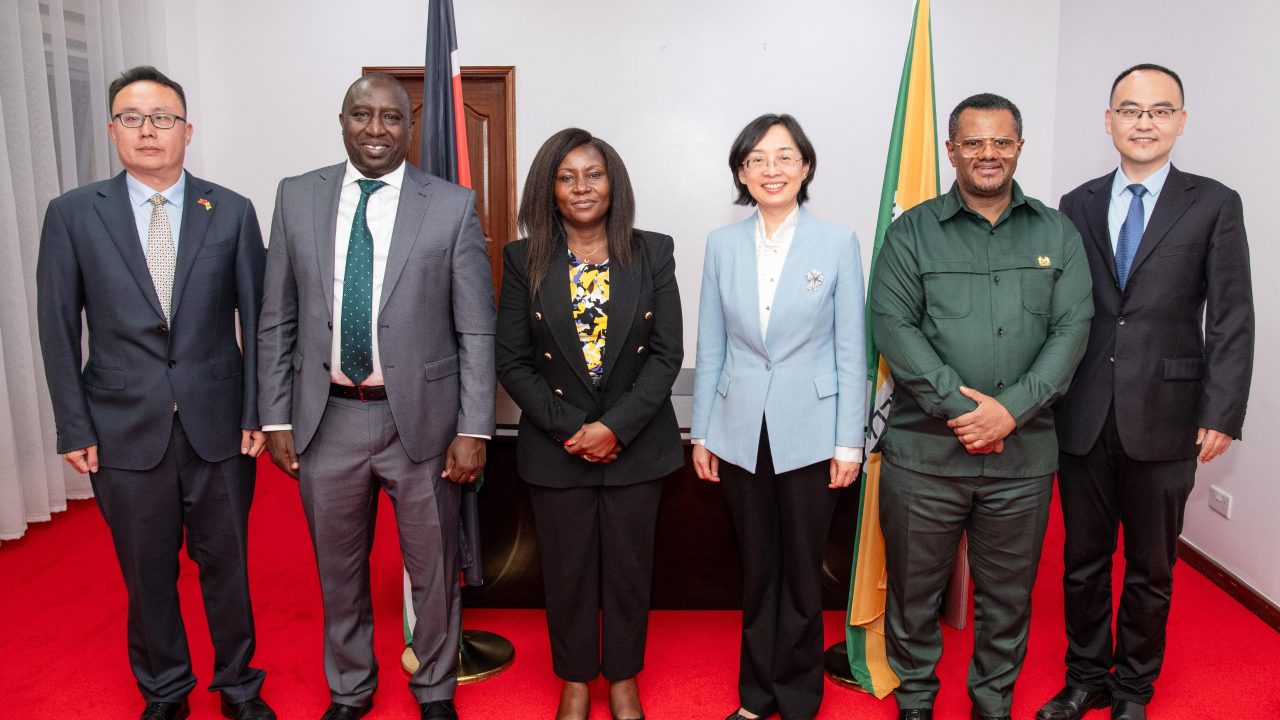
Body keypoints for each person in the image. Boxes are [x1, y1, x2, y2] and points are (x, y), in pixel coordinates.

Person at [36, 66, 274, 720]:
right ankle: (166, 690)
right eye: (132, 117)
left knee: (227, 568)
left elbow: (257, 322)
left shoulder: (230, 210)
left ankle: (239, 688)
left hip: (220, 426)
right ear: (113, 129)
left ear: (187, 130)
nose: (148, 130)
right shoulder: (73, 215)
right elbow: (57, 329)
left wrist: (257, 411)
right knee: (146, 574)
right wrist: (72, 426)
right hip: (120, 428)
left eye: (162, 117)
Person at [257, 73, 494, 720]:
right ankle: (350, 689)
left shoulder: (451, 205)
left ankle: (436, 690)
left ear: (409, 127)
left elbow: (476, 326)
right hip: (326, 417)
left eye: (391, 118)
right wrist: (274, 414)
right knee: (339, 571)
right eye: (362, 115)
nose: (375, 129)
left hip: (420, 423)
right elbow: (276, 317)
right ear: (341, 120)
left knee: (433, 570)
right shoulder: (296, 196)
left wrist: (474, 428)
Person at [1037, 65, 1254, 720]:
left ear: (1180, 122)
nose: (1144, 122)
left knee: (1151, 569)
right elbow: (1059, 310)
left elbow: (1233, 316)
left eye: (1160, 111)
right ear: (1109, 121)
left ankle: (1133, 687)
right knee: (1081, 561)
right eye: (1130, 110)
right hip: (1084, 412)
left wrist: (1222, 410)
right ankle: (1084, 678)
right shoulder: (1073, 204)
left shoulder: (1214, 203)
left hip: (1170, 414)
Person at [869, 93, 1093, 720]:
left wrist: (1010, 412)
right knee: (914, 593)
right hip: (925, 456)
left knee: (1007, 598)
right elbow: (893, 327)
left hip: (1021, 459)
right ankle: (915, 700)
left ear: (1019, 147)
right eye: (973, 142)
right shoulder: (911, 231)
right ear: (951, 150)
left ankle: (991, 703)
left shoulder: (1057, 231)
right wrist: (965, 414)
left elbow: (1073, 330)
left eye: (1001, 142)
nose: (987, 154)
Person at [496, 128, 683, 720]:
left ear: (614, 182)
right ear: (548, 189)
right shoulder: (523, 259)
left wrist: (616, 428)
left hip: (638, 446)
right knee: (568, 571)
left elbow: (667, 354)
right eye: (566, 176)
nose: (582, 186)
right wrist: (574, 429)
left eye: (594, 174)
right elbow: (512, 360)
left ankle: (623, 678)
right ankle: (575, 680)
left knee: (630, 571)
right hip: (558, 447)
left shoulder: (653, 251)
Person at [691, 114, 865, 720]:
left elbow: (852, 350)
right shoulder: (721, 245)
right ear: (742, 171)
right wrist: (703, 432)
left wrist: (851, 444)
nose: (772, 169)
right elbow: (710, 345)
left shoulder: (838, 243)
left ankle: (796, 697)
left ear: (806, 167)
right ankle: (755, 694)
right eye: (758, 159)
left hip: (813, 433)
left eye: (785, 157)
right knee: (756, 568)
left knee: (800, 569)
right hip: (740, 432)